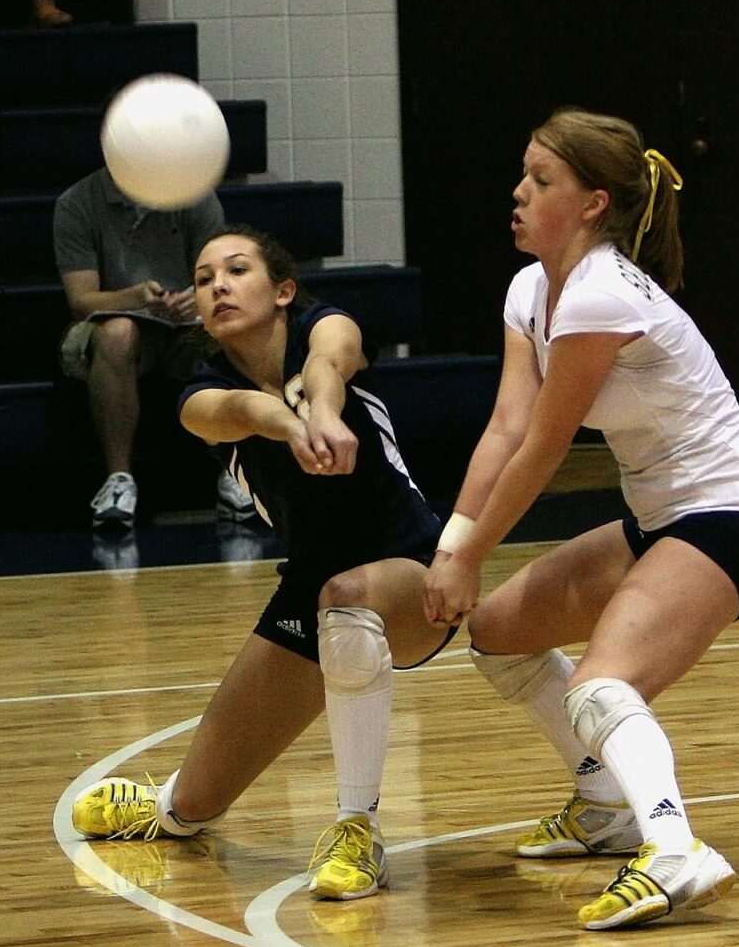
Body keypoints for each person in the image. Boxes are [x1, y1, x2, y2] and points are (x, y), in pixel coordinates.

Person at [424, 108, 739, 931]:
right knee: (499, 633)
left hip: (728, 522)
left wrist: (468, 555)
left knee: (600, 683)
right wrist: (452, 549)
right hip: (661, 522)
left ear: (592, 203)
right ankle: (605, 808)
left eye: (540, 180)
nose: (516, 192)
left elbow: (545, 448)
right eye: (521, 174)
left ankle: (673, 850)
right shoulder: (531, 288)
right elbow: (505, 429)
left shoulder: (597, 293)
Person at [71, 225, 455, 900]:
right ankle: (163, 806)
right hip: (311, 586)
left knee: (348, 593)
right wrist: (287, 423)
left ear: (281, 290)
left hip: (416, 573)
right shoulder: (199, 389)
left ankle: (356, 827)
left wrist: (322, 411)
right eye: (202, 277)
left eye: (236, 269)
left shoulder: (324, 325)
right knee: (193, 806)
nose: (217, 284)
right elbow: (237, 410)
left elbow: (330, 362)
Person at [54, 165, 255, 528]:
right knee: (117, 333)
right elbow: (82, 301)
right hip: (116, 325)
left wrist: (198, 297)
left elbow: (220, 275)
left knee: (226, 328)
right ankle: (118, 481)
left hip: (184, 328)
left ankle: (235, 474)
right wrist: (134, 298)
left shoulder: (195, 195)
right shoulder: (78, 203)